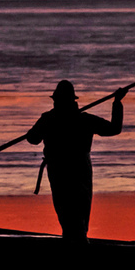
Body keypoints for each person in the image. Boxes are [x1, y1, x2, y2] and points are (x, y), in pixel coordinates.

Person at [25, 80, 126, 243]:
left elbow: (32, 138)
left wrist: (117, 102)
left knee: (69, 212)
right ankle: (77, 244)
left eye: (57, 100)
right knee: (75, 211)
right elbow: (114, 128)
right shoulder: (82, 120)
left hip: (63, 168)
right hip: (76, 168)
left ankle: (76, 246)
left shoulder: (49, 119)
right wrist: (117, 102)